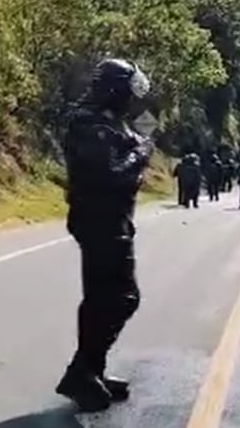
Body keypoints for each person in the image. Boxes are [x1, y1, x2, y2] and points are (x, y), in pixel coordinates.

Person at [57, 58, 152, 412]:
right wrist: (140, 155)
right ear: (114, 91)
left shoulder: (108, 122)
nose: (131, 99)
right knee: (121, 298)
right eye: (128, 92)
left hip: (111, 220)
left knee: (102, 299)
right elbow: (111, 176)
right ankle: (81, 372)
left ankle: (91, 371)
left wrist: (136, 148)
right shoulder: (90, 125)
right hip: (100, 220)